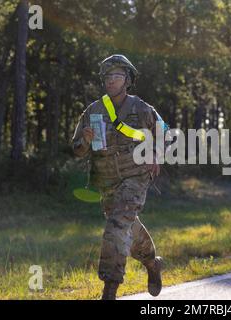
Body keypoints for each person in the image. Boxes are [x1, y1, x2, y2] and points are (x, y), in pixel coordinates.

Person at [71, 54, 165, 300]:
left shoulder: (141, 108)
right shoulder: (93, 110)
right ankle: (152, 263)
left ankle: (109, 289)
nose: (111, 81)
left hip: (136, 176)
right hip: (107, 182)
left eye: (117, 76)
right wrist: (85, 141)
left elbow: (166, 133)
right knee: (126, 227)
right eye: (107, 76)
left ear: (127, 79)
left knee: (117, 225)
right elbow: (77, 149)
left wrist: (156, 152)